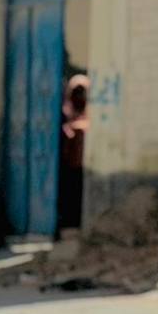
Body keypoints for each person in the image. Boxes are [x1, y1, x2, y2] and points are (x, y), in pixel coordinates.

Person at [59, 72, 89, 230]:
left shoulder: (88, 119)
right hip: (70, 168)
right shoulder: (65, 117)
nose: (79, 97)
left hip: (82, 168)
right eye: (76, 93)